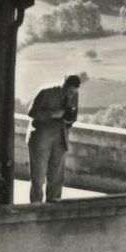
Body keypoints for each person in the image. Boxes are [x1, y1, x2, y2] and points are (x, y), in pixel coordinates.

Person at [27, 74, 80, 203]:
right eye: (69, 91)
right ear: (64, 85)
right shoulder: (46, 92)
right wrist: (52, 114)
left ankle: (53, 207)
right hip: (41, 138)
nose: (71, 94)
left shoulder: (74, 95)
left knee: (56, 178)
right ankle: (36, 207)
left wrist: (69, 118)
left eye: (74, 92)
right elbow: (32, 112)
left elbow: (73, 116)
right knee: (38, 177)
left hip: (60, 139)